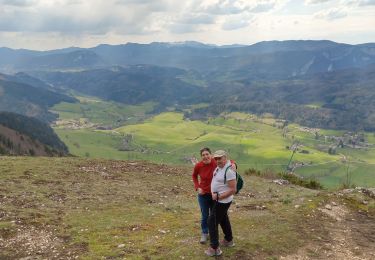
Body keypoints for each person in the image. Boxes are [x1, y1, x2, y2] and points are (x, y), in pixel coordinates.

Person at [205, 150, 236, 257]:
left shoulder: (229, 170)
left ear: (225, 158)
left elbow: (233, 189)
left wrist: (218, 196)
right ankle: (229, 240)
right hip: (219, 200)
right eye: (216, 158)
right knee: (223, 219)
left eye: (220, 158)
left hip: (222, 200)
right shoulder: (220, 166)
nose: (218, 160)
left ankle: (214, 248)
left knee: (211, 221)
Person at [192, 147, 217, 244]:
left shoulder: (215, 162)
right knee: (205, 216)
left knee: (213, 215)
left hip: (214, 195)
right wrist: (197, 187)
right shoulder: (198, 166)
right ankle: (204, 233)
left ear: (211, 155)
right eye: (203, 155)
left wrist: (233, 164)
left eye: (207, 154)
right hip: (203, 195)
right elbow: (194, 176)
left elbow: (228, 161)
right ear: (201, 157)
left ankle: (213, 232)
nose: (205, 156)